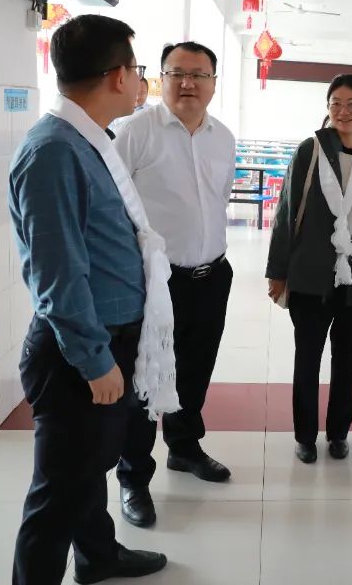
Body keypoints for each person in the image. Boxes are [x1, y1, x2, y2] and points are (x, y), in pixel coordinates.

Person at [8, 14, 168, 584]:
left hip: (106, 338)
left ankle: (98, 556)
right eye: (138, 68)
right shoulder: (54, 151)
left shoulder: (87, 139)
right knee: (58, 492)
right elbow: (56, 275)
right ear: (118, 76)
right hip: (78, 352)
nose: (141, 80)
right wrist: (95, 360)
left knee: (87, 468)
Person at [111, 41, 237, 528]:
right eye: (177, 73)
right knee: (146, 378)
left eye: (199, 75)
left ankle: (184, 448)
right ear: (160, 78)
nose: (188, 83)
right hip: (153, 282)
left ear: (213, 83)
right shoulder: (135, 132)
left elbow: (218, 200)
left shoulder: (223, 138)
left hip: (211, 275)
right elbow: (111, 205)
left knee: (194, 371)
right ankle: (133, 478)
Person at [266, 74, 352, 464]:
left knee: (346, 359)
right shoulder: (310, 152)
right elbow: (286, 213)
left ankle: (339, 433)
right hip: (309, 273)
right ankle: (305, 436)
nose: (343, 111)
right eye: (336, 103)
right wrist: (277, 270)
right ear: (327, 108)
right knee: (307, 358)